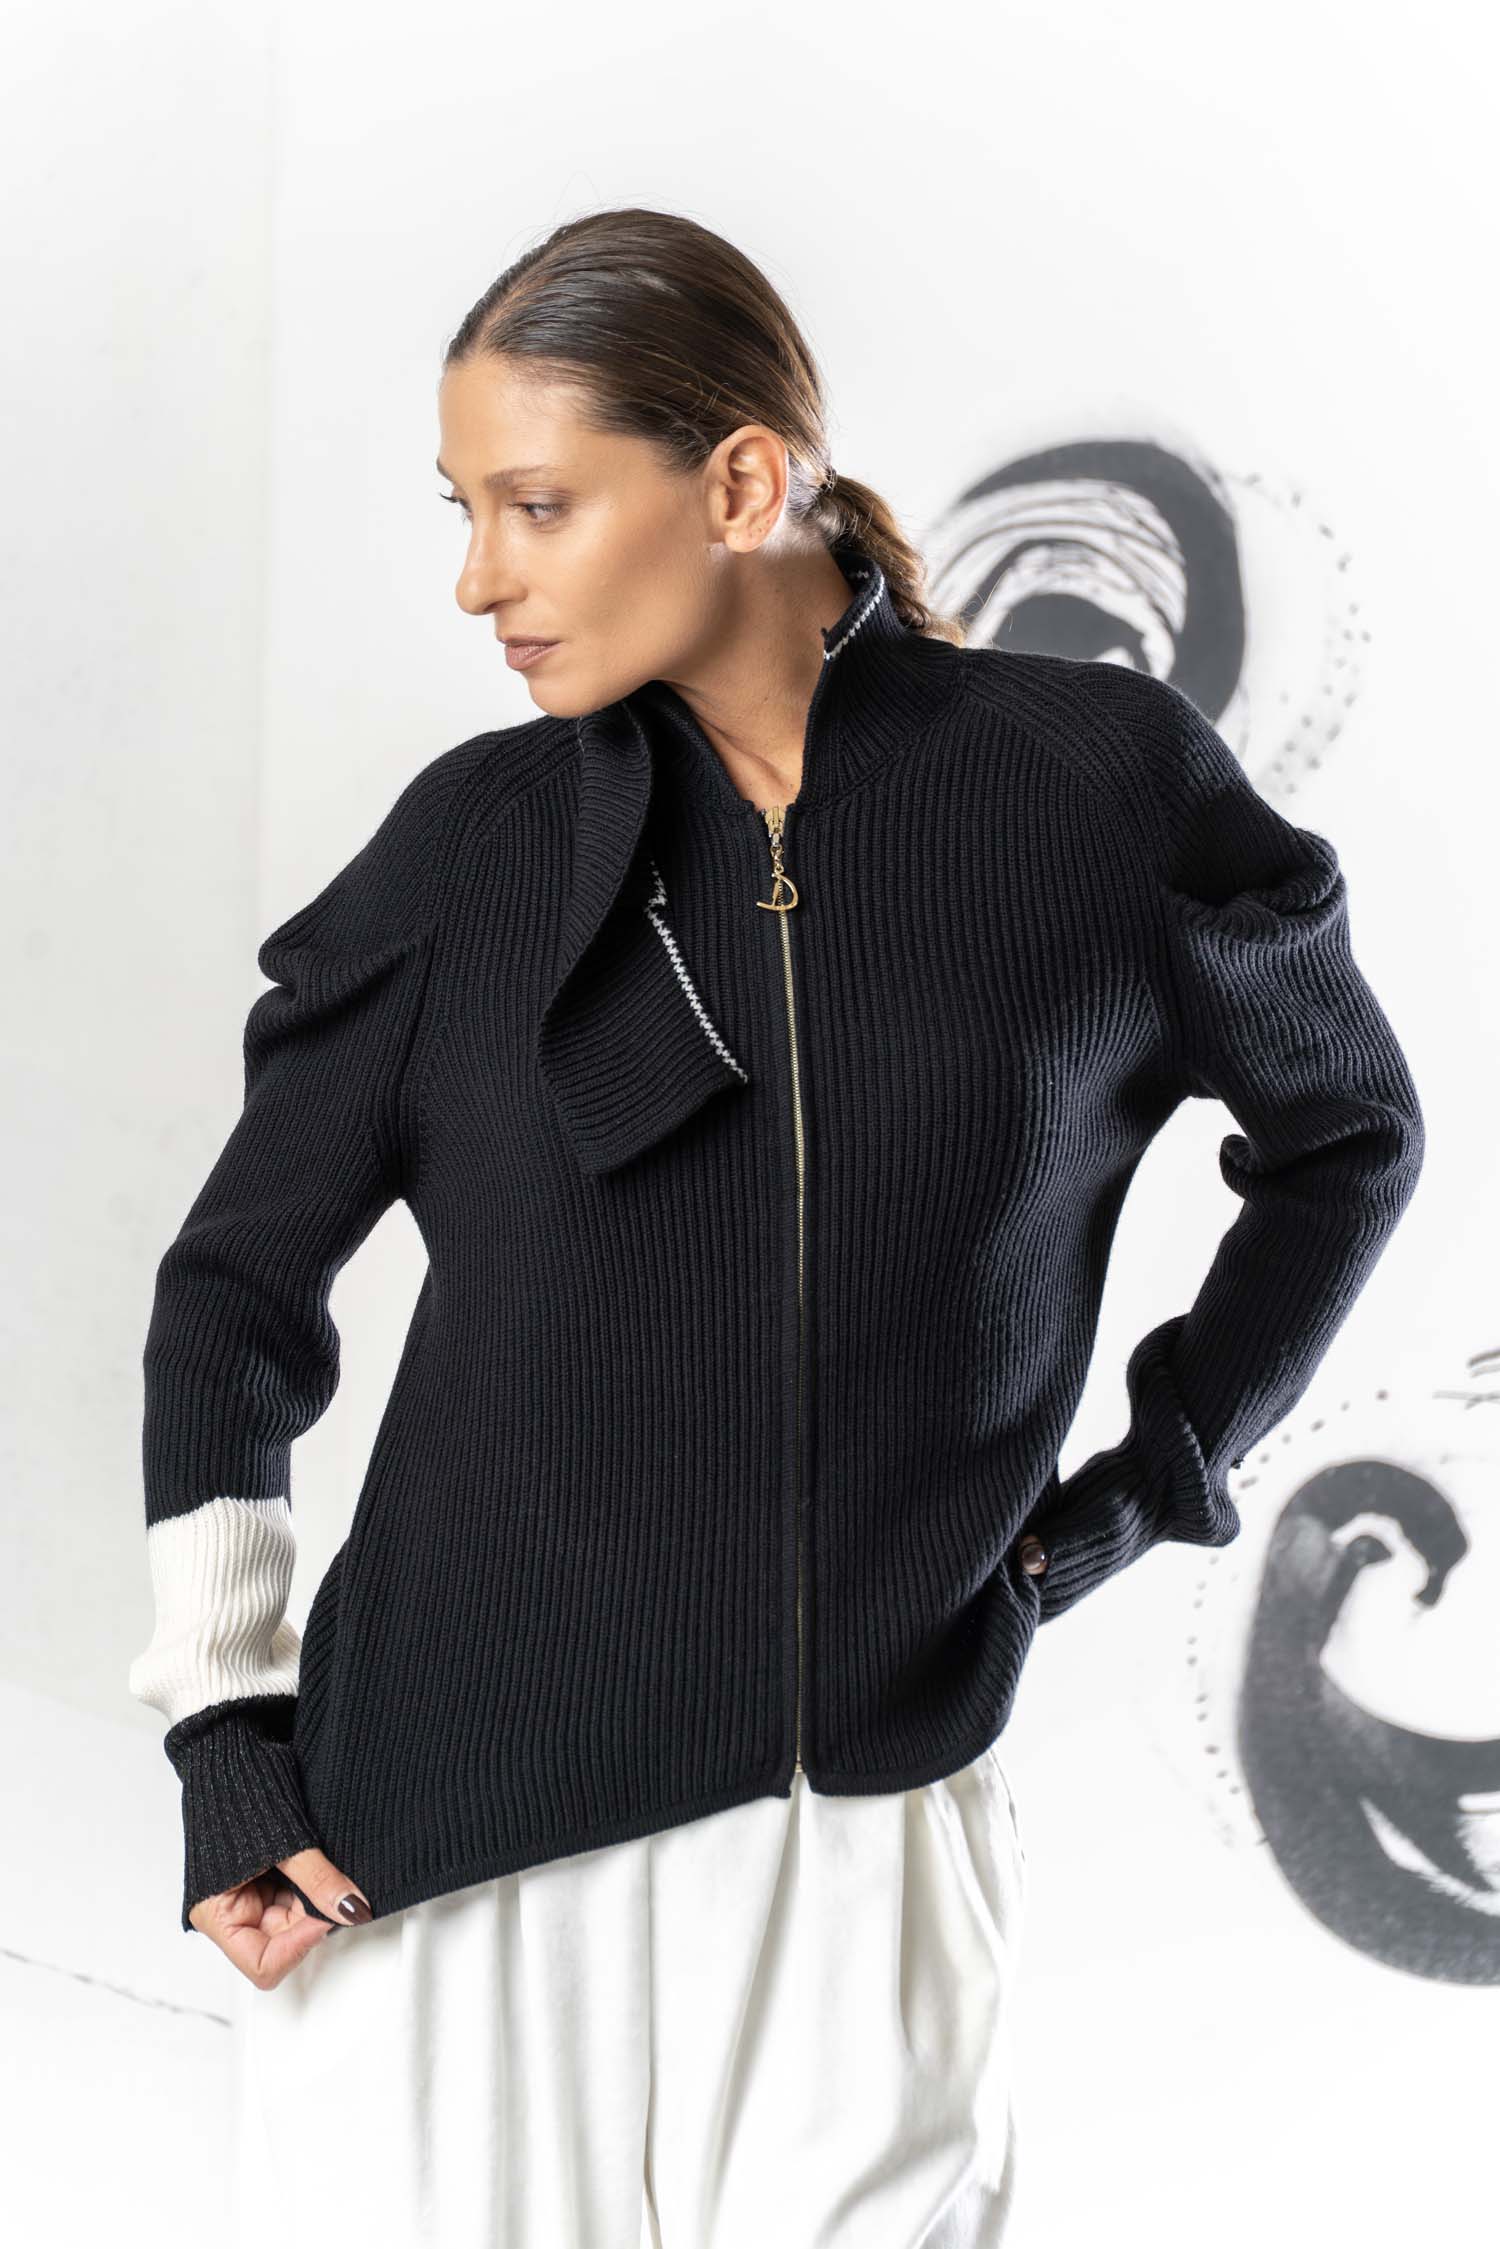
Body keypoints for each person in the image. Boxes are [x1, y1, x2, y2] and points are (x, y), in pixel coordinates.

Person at [129, 206, 1425, 2248]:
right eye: (467, 511)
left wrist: (1140, 1490)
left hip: (865, 1827)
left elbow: (1347, 1133)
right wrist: (226, 1723)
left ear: (739, 483)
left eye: (538, 505)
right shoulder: (480, 846)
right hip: (441, 1847)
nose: (480, 578)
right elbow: (233, 1297)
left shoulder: (1090, 791)